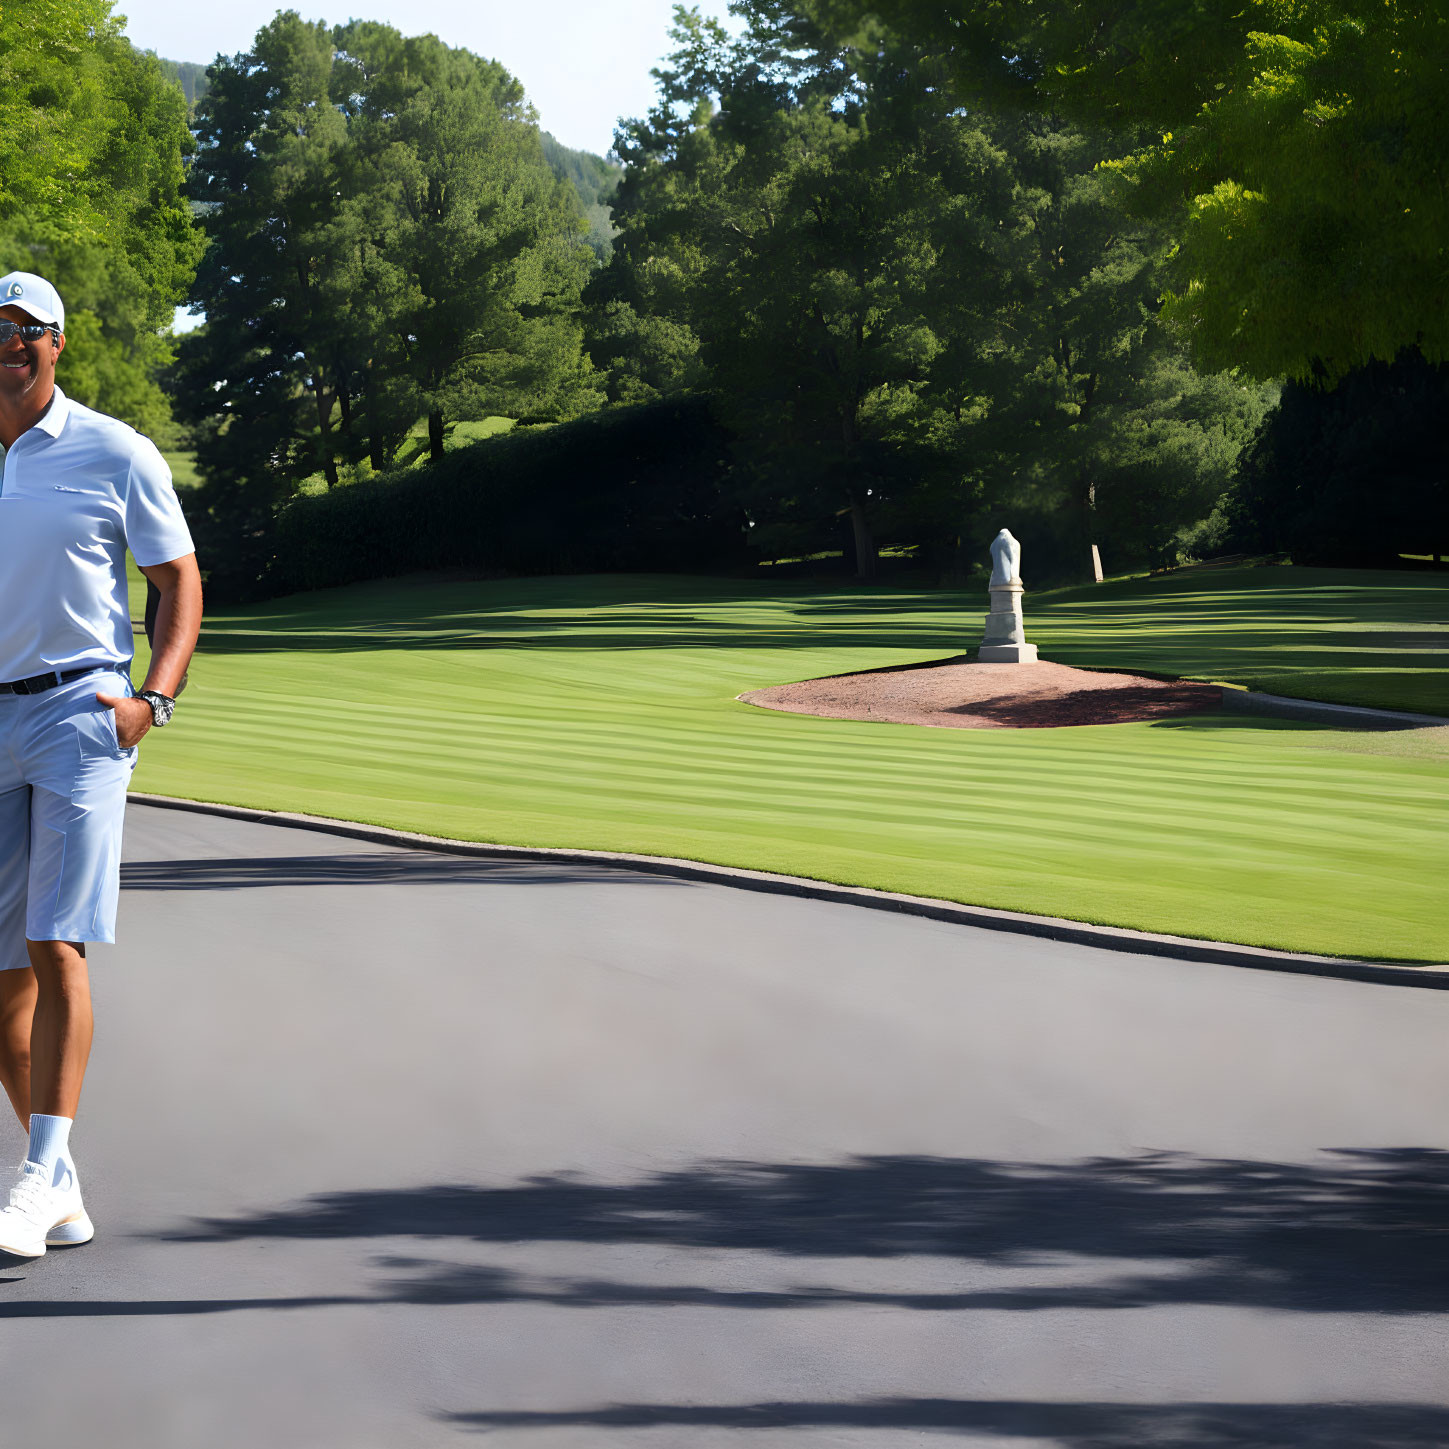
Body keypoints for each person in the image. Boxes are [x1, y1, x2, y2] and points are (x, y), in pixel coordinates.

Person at [0, 271, 201, 1257]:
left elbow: (178, 580)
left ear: (58, 343)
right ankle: (61, 1179)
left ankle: (36, 1177)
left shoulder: (112, 451)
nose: (9, 343)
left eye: (26, 329)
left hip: (80, 713)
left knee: (55, 946)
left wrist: (152, 700)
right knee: (0, 991)